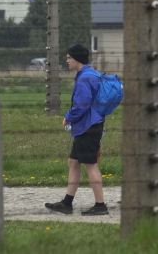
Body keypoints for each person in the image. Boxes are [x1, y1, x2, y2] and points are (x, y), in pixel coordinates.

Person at [45, 44, 108, 216]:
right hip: (87, 127)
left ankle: (100, 205)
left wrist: (67, 117)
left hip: (88, 126)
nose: (67, 61)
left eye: (69, 58)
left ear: (77, 59)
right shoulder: (92, 74)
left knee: (91, 165)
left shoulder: (85, 79)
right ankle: (66, 203)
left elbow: (81, 106)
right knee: (73, 162)